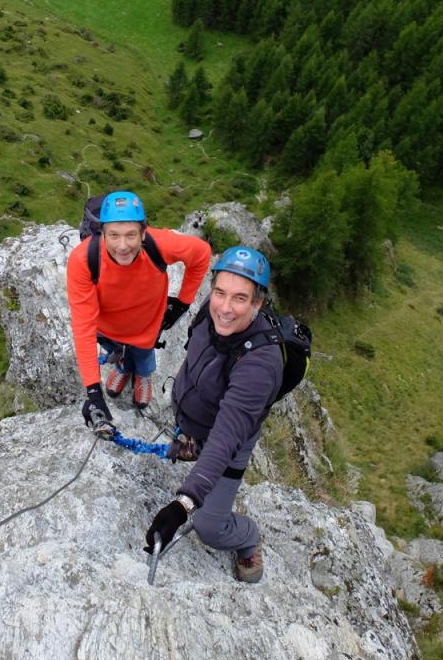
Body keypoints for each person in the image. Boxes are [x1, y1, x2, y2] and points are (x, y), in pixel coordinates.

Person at [144, 246, 283, 583]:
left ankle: (248, 536)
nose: (225, 307)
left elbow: (224, 440)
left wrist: (184, 504)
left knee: (208, 526)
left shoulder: (260, 364)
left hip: (230, 437)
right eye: (220, 292)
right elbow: (195, 358)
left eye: (239, 298)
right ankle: (192, 438)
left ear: (257, 303)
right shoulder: (211, 309)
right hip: (196, 416)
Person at [66, 191, 210, 421]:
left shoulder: (159, 244)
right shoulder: (83, 260)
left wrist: (183, 302)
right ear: (101, 234)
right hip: (105, 329)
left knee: (144, 356)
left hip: (146, 327)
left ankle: (143, 376)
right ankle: (123, 369)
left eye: (131, 235)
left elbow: (201, 254)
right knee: (117, 353)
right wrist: (93, 392)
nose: (122, 246)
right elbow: (82, 326)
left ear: (144, 233)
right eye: (113, 235)